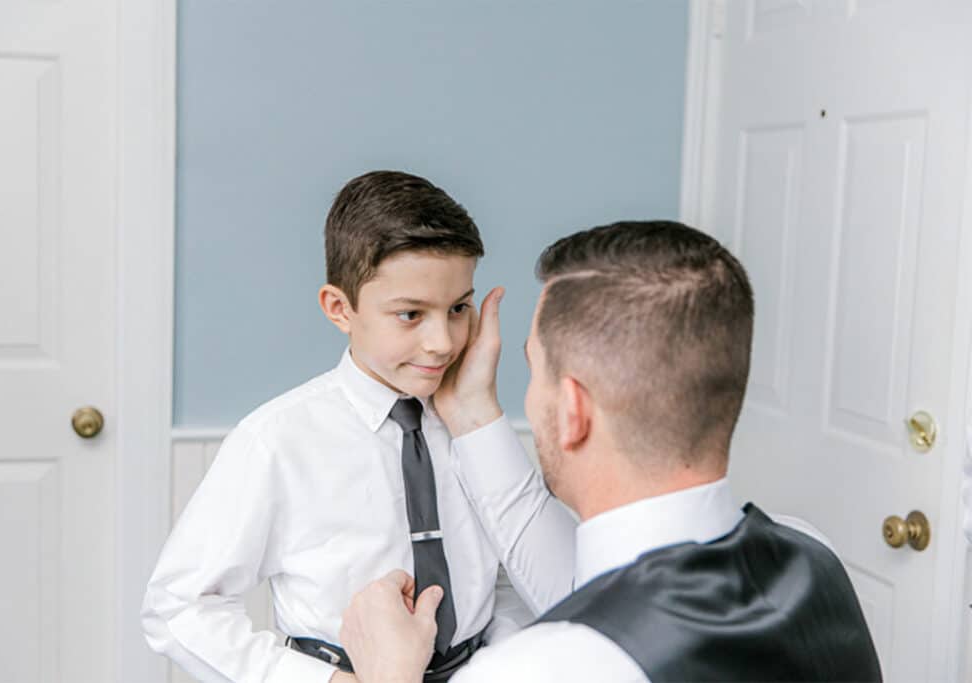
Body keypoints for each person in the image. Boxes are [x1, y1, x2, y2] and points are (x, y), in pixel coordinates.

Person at [339, 220, 883, 682]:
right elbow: (591, 586)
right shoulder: (814, 555)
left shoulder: (536, 670)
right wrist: (473, 415)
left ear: (573, 410)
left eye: (535, 367)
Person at [141, 171, 575, 683]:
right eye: (411, 314)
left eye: (458, 308)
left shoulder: (473, 433)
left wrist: (501, 658)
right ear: (339, 308)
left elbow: (501, 576)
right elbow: (179, 605)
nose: (442, 341)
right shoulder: (278, 440)